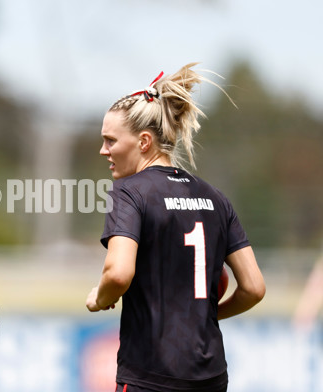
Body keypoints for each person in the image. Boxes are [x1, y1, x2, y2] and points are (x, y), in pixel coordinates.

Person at [85, 63, 266, 392]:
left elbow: (118, 274)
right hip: (210, 375)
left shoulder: (130, 192)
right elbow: (253, 288)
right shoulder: (215, 197)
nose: (104, 151)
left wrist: (99, 297)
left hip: (149, 373)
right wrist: (206, 315)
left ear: (143, 142)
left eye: (110, 141)